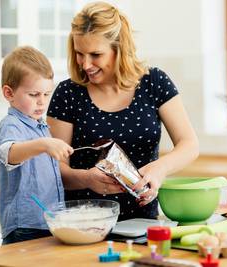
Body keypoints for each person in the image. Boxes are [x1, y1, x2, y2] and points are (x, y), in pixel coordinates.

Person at [47, 2, 199, 220]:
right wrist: (85, 179)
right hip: (84, 224)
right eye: (80, 53)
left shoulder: (154, 82)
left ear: (119, 49)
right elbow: (53, 169)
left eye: (96, 54)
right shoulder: (67, 93)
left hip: (143, 223)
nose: (86, 64)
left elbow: (189, 145)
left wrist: (160, 168)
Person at [0, 46, 73, 244]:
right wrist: (43, 144)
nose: (42, 102)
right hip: (25, 227)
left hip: (48, 223)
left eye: (47, 94)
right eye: (33, 94)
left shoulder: (41, 126)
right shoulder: (11, 124)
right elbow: (9, 153)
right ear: (9, 93)